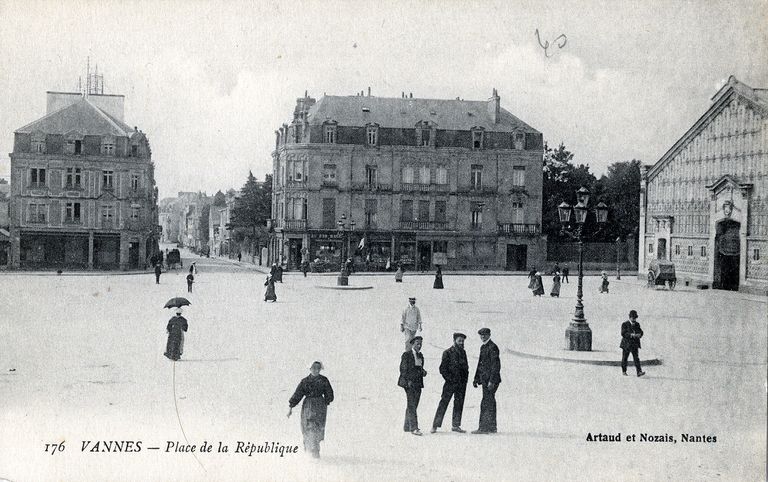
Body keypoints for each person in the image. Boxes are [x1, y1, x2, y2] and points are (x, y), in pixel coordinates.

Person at [288, 361, 334, 458]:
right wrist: (291, 406)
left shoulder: (324, 380)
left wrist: (326, 401)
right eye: (313, 368)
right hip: (308, 406)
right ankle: (309, 449)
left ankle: (315, 450)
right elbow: (298, 394)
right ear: (310, 369)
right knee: (308, 426)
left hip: (320, 406)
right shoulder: (305, 381)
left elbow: (329, 393)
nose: (316, 370)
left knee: (317, 427)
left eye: (318, 368)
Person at [431, 333, 468, 434]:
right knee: (443, 403)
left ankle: (456, 425)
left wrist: (464, 381)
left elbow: (466, 368)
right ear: (454, 341)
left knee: (459, 404)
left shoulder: (463, 353)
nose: (461, 343)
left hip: (461, 384)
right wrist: (450, 379)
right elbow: (442, 369)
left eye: (463, 341)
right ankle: (435, 425)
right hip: (450, 383)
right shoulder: (447, 352)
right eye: (459, 340)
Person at [472, 328, 500, 434]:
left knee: (486, 402)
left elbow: (496, 365)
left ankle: (483, 428)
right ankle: (492, 427)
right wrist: (476, 378)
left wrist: (492, 381)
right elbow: (480, 364)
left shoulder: (493, 347)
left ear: (489, 335)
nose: (483, 337)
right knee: (490, 401)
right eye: (481, 335)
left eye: (485, 335)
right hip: (485, 380)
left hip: (491, 380)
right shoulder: (483, 347)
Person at [398, 336, 427, 436]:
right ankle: (414, 428)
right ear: (412, 344)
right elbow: (403, 369)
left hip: (418, 383)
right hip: (409, 383)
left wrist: (423, 371)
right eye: (417, 343)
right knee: (412, 405)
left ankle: (407, 426)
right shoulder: (406, 355)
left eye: (420, 344)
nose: (419, 346)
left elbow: (419, 367)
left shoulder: (421, 356)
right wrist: (408, 381)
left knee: (413, 404)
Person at [620, 310, 646, 377]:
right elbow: (623, 333)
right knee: (625, 358)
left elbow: (641, 331)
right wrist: (631, 335)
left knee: (636, 358)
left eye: (635, 318)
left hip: (634, 344)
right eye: (633, 318)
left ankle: (639, 372)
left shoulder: (637, 324)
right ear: (630, 317)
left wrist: (640, 334)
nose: (634, 319)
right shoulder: (625, 324)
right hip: (626, 344)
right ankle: (624, 371)